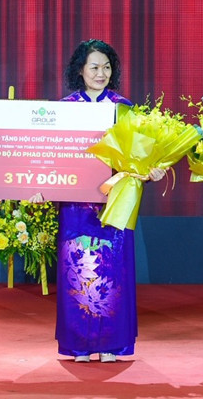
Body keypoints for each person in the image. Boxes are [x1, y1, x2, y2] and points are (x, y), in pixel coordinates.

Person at [54, 39, 165, 363]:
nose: (101, 73)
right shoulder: (66, 108)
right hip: (76, 204)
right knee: (77, 268)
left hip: (116, 200)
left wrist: (151, 169)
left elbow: (139, 154)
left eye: (106, 67)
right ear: (80, 70)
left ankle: (110, 344)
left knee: (112, 269)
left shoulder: (123, 107)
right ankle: (79, 344)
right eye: (94, 67)